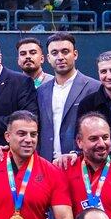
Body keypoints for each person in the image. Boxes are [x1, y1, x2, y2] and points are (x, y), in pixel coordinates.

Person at [37, 32, 101, 161]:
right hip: (47, 162)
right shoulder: (41, 91)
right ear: (48, 58)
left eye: (65, 52)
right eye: (54, 53)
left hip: (79, 161)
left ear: (75, 54)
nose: (60, 57)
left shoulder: (94, 87)